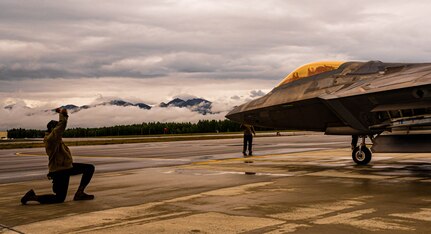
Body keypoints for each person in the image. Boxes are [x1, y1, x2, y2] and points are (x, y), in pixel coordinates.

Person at [21, 108, 95, 205]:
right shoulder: (51, 139)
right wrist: (62, 114)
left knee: (89, 168)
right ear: (53, 129)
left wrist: (65, 116)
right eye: (56, 128)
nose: (60, 131)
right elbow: (61, 126)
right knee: (59, 198)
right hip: (59, 171)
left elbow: (60, 127)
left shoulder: (55, 139)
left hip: (66, 167)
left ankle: (79, 193)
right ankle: (32, 197)